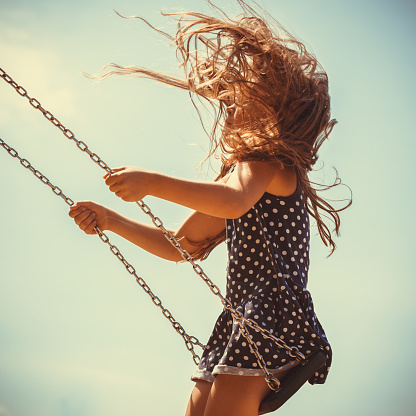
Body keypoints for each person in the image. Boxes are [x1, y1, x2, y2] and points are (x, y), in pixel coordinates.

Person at [69, 2, 350, 415]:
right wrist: (112, 221)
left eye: (241, 100)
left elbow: (233, 201)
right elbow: (182, 245)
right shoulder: (241, 180)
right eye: (227, 102)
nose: (229, 109)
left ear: (274, 111)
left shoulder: (268, 165)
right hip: (238, 321)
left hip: (271, 315)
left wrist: (151, 183)